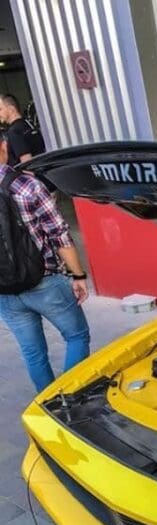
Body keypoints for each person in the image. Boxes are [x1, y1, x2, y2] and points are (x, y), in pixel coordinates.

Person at [0, 133, 90, 392]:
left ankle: (48, 406)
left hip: (5, 291)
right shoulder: (28, 186)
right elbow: (60, 234)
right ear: (4, 146)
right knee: (76, 336)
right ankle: (65, 398)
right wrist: (78, 276)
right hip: (44, 281)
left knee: (33, 353)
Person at [0, 94, 45, 166]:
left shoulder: (14, 132)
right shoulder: (30, 125)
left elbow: (26, 163)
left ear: (11, 109)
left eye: (0, 109)